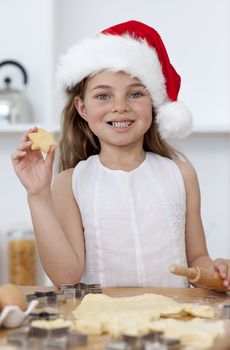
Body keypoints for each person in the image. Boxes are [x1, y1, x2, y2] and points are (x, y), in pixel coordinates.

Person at [12, 20, 230, 289]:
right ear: (82, 107)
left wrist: (216, 269)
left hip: (171, 321)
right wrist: (38, 196)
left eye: (135, 93)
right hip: (100, 326)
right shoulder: (71, 183)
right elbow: (66, 277)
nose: (120, 107)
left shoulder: (181, 175)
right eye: (103, 96)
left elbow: (197, 257)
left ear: (153, 102)